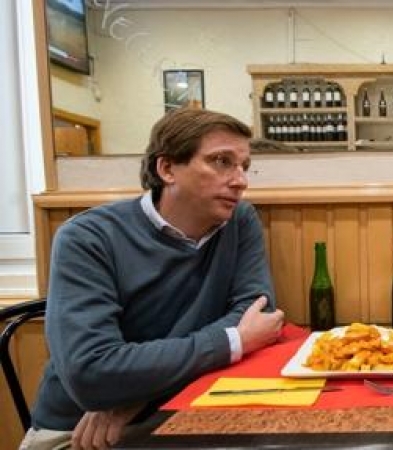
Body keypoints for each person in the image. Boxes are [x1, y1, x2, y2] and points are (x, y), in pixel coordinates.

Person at [21, 108, 285, 450]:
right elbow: (91, 373)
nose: (240, 180)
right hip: (81, 431)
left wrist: (137, 397)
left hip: (175, 409)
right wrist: (231, 341)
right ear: (167, 168)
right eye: (222, 162)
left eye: (243, 167)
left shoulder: (239, 220)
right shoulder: (87, 237)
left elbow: (256, 317)